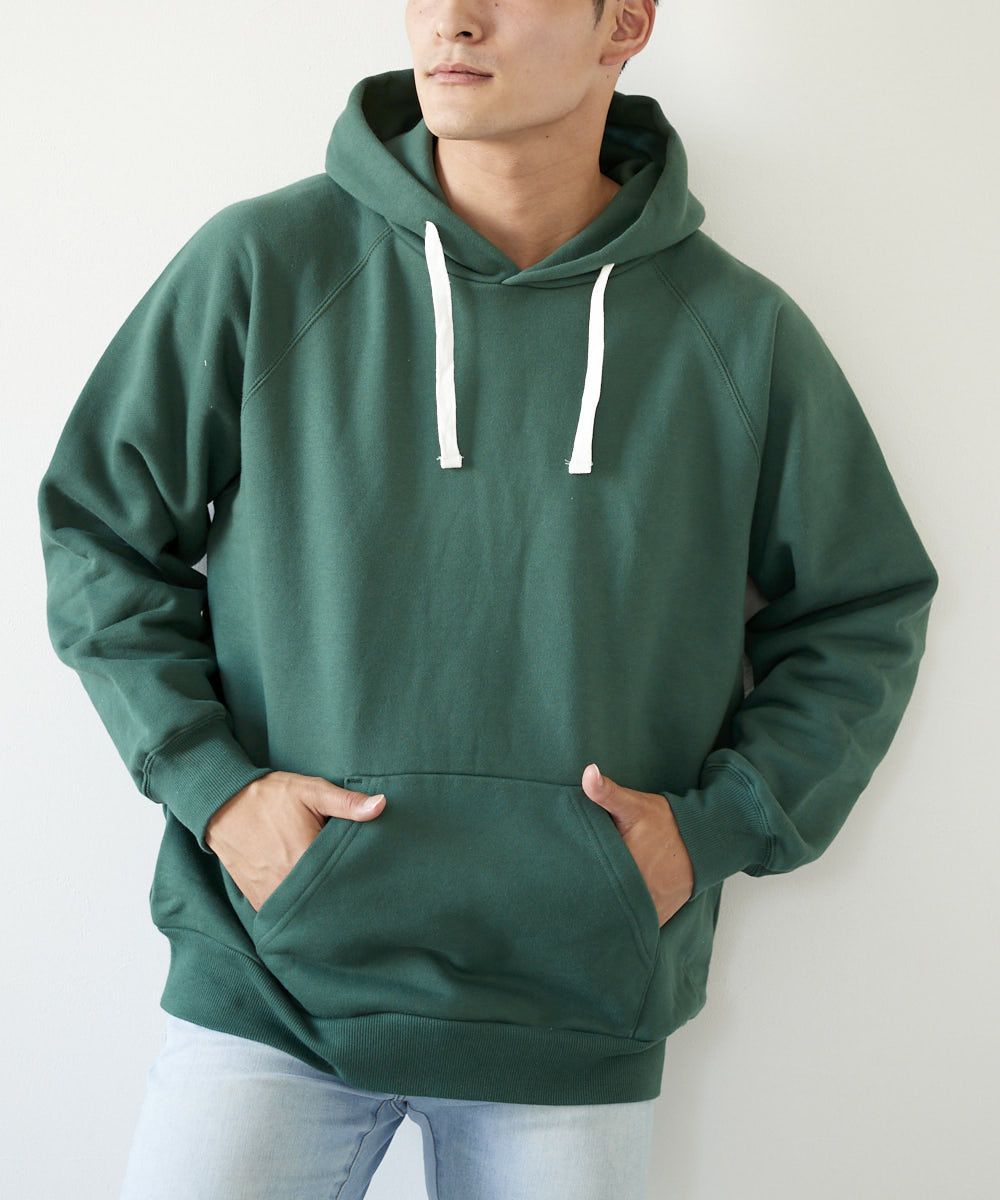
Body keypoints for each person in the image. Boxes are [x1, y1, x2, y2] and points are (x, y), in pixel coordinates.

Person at [36, 2, 939, 1197]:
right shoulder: (264, 265)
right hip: (269, 986)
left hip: (572, 1009)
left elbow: (862, 606)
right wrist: (217, 791)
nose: (453, 21)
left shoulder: (736, 331)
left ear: (623, 24)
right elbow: (100, 532)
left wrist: (712, 832)